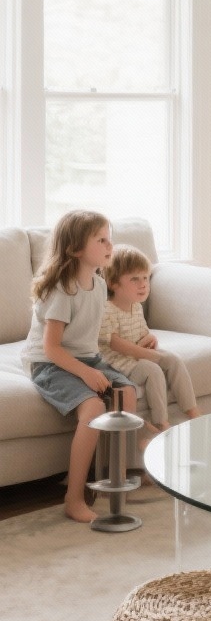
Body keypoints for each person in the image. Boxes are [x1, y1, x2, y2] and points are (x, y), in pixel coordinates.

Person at [22, 210, 141, 524]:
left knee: (127, 395)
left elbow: (91, 340)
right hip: (50, 363)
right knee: (92, 410)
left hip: (87, 358)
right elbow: (52, 348)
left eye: (109, 237)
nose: (109, 244)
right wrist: (87, 374)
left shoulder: (100, 284)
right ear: (75, 249)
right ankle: (73, 498)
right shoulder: (62, 289)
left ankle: (113, 483)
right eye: (100, 239)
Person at [99, 244, 200, 431]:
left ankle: (193, 413)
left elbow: (142, 335)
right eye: (135, 279)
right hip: (117, 363)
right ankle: (161, 423)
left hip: (136, 356)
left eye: (145, 277)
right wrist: (148, 355)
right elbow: (115, 343)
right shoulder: (107, 309)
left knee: (173, 360)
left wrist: (150, 339)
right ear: (114, 283)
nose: (143, 284)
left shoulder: (136, 306)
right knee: (152, 369)